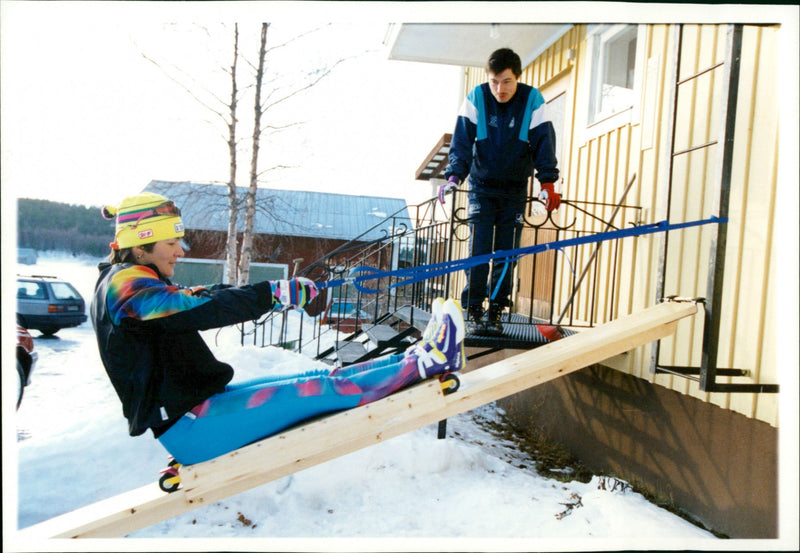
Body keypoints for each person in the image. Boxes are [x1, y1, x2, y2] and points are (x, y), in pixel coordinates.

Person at [91, 193, 465, 465]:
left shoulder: (130, 282)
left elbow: (200, 295)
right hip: (193, 427)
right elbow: (201, 308)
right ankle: (430, 361)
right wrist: (272, 293)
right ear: (140, 247)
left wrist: (281, 293)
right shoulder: (127, 290)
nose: (180, 251)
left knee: (320, 375)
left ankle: (418, 356)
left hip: (198, 411)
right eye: (171, 243)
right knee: (320, 389)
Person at [439, 47, 560, 336]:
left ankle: (495, 311)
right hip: (481, 187)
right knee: (479, 251)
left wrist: (547, 183)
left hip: (515, 190)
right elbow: (462, 142)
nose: (499, 88)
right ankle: (474, 310)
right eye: (494, 81)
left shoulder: (532, 99)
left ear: (517, 77)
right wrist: (455, 176)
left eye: (506, 81)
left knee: (507, 253)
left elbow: (543, 141)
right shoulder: (476, 98)